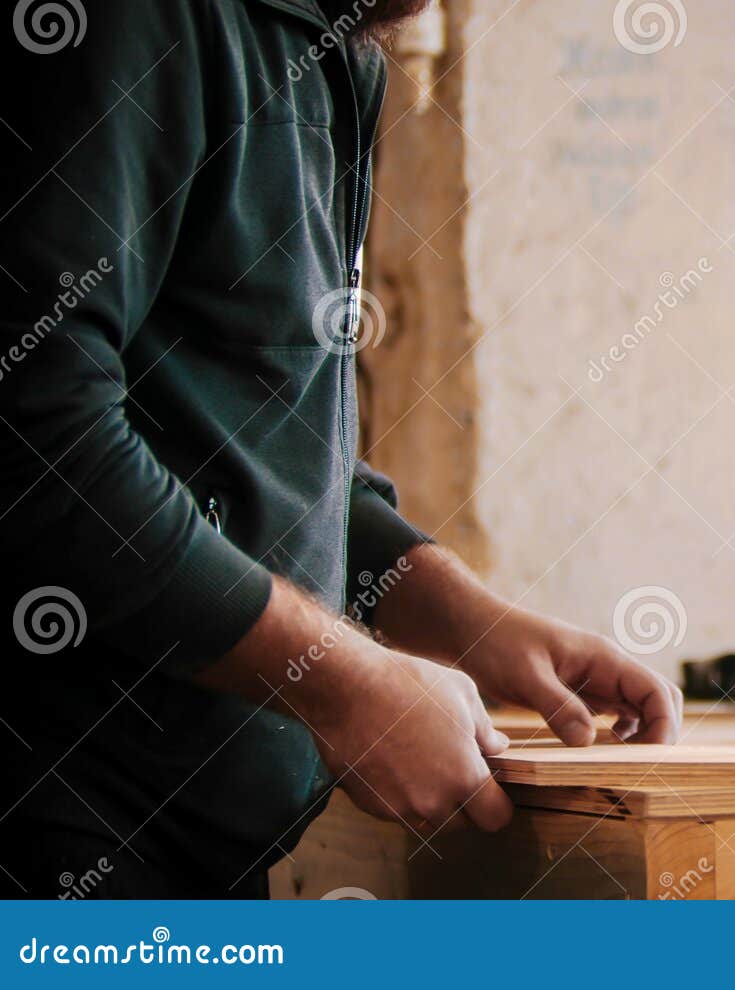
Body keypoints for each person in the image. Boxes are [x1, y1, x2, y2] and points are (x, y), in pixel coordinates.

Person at [0, 0, 681, 898]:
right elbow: (36, 429)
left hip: (194, 848)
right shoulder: (137, 23)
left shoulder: (338, 54)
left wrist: (463, 619)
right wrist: (340, 683)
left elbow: (270, 446)